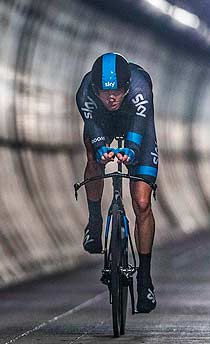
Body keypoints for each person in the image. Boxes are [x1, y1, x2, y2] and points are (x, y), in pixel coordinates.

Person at [75, 52, 159, 313]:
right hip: (104, 123)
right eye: (104, 92)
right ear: (95, 89)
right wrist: (101, 148)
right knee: (93, 156)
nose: (111, 98)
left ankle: (144, 279)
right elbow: (94, 129)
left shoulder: (140, 87)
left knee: (142, 203)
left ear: (126, 88)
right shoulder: (85, 93)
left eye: (117, 92)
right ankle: (95, 221)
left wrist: (131, 150)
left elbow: (140, 124)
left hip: (137, 123)